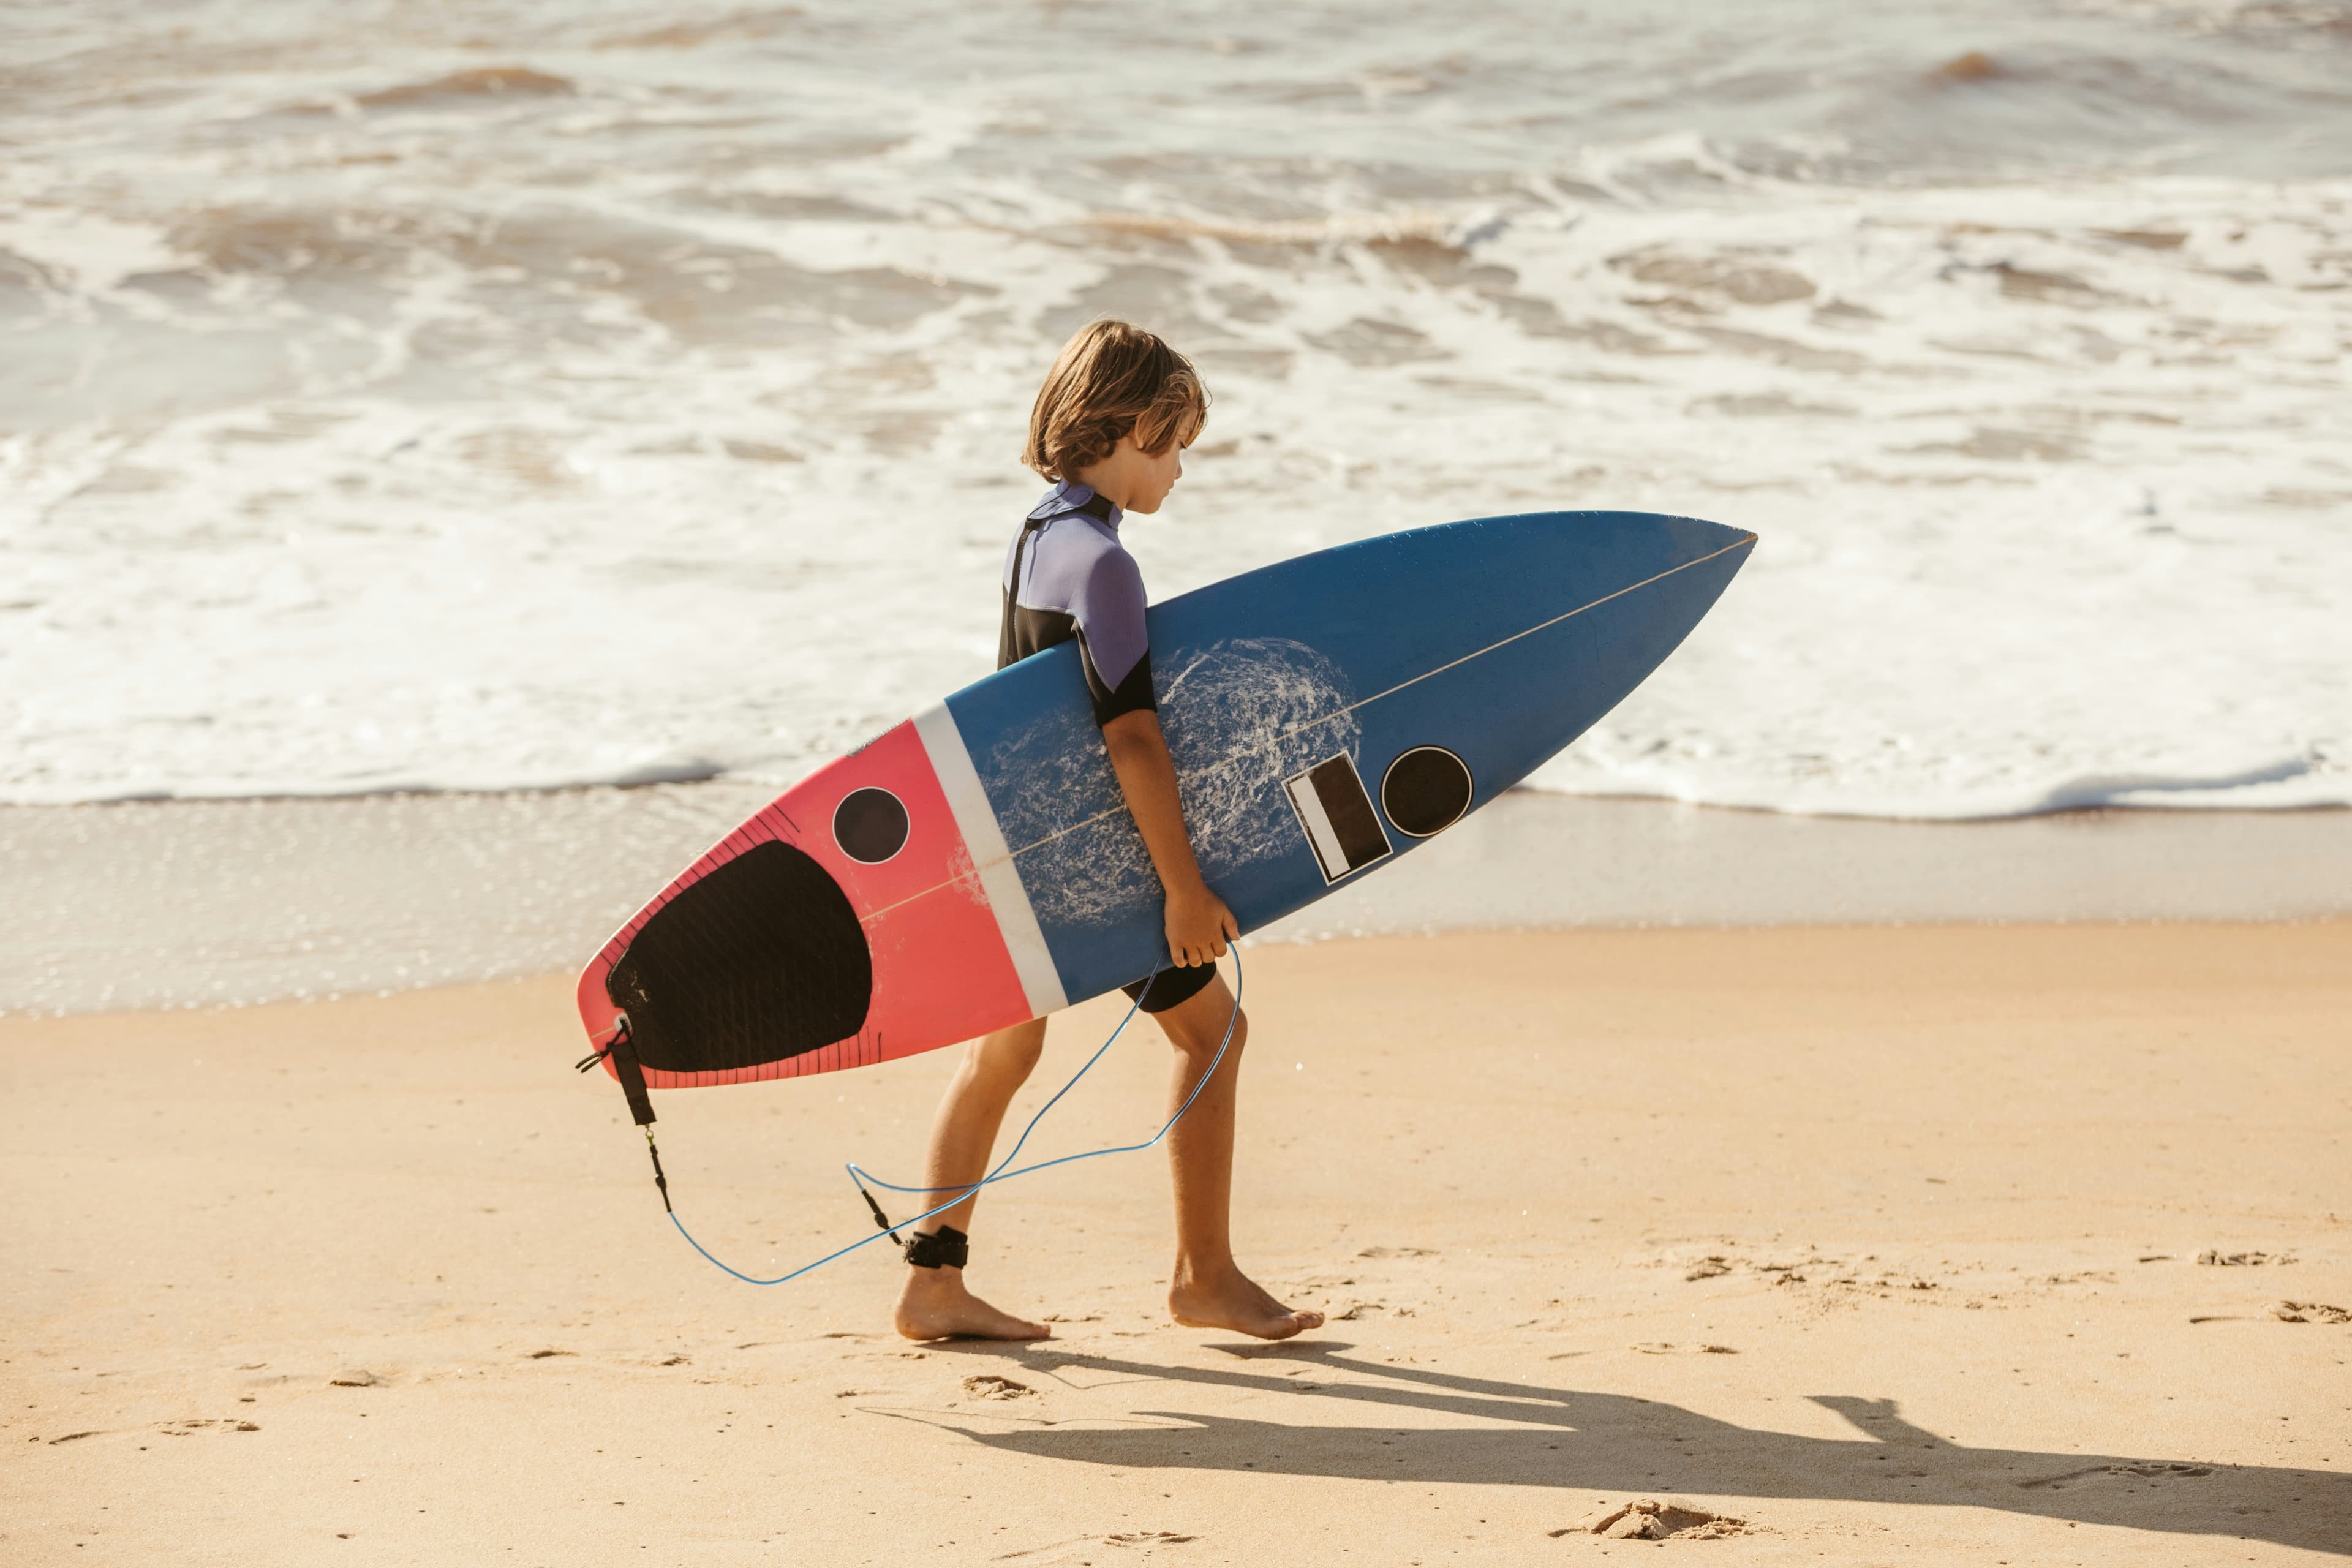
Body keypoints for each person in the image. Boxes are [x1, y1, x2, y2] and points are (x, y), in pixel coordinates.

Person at [892, 320, 1325, 1343]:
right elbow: (1129, 735)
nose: (1179, 470)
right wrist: (1179, 887)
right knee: (1214, 1034)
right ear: (1131, 427)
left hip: (1013, 848)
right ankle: (1203, 1277)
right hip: (1095, 864)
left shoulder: (1039, 533)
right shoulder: (1107, 566)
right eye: (1175, 446)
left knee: (999, 1060)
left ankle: (933, 1282)